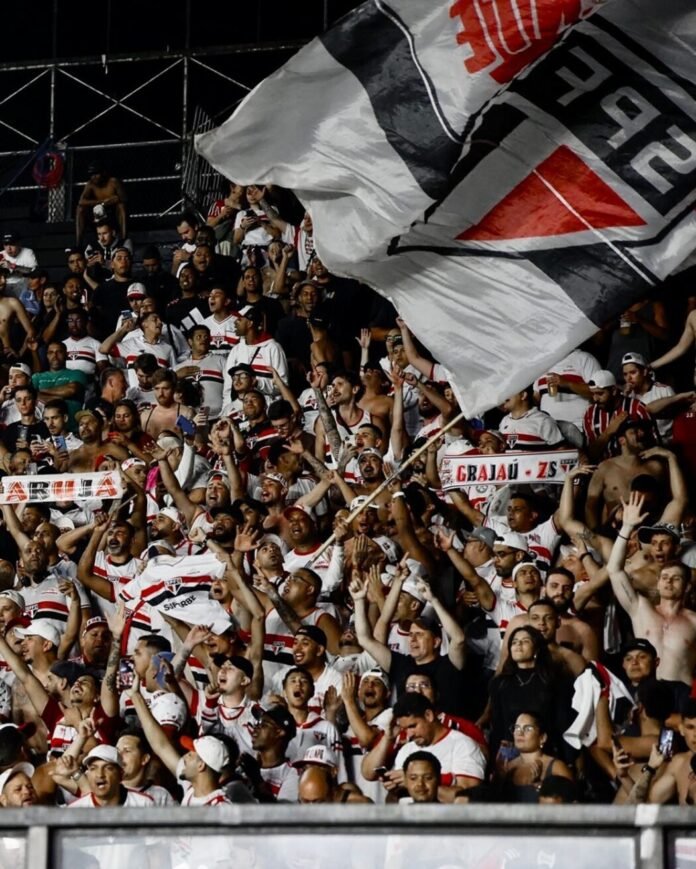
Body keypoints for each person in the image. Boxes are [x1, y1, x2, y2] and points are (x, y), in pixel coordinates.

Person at [608, 492, 696, 687]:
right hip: (647, 696)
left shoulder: (694, 621)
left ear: (688, 586)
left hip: (683, 700)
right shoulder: (641, 610)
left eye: (676, 578)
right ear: (658, 583)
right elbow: (614, 570)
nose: (668, 582)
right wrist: (627, 527)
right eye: (664, 577)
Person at [495, 712, 573, 803]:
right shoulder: (507, 767)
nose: (520, 733)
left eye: (528, 729)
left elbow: (570, 806)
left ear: (542, 738)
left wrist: (538, 787)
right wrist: (500, 780)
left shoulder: (557, 768)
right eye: (517, 728)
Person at [77, 164, 127, 242]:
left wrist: (112, 201)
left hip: (112, 213)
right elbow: (81, 201)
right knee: (80, 209)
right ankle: (78, 243)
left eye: (96, 174)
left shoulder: (113, 182)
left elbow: (123, 198)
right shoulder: (90, 184)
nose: (94, 177)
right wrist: (101, 202)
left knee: (121, 206)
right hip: (97, 213)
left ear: (103, 173)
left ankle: (124, 238)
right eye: (92, 175)